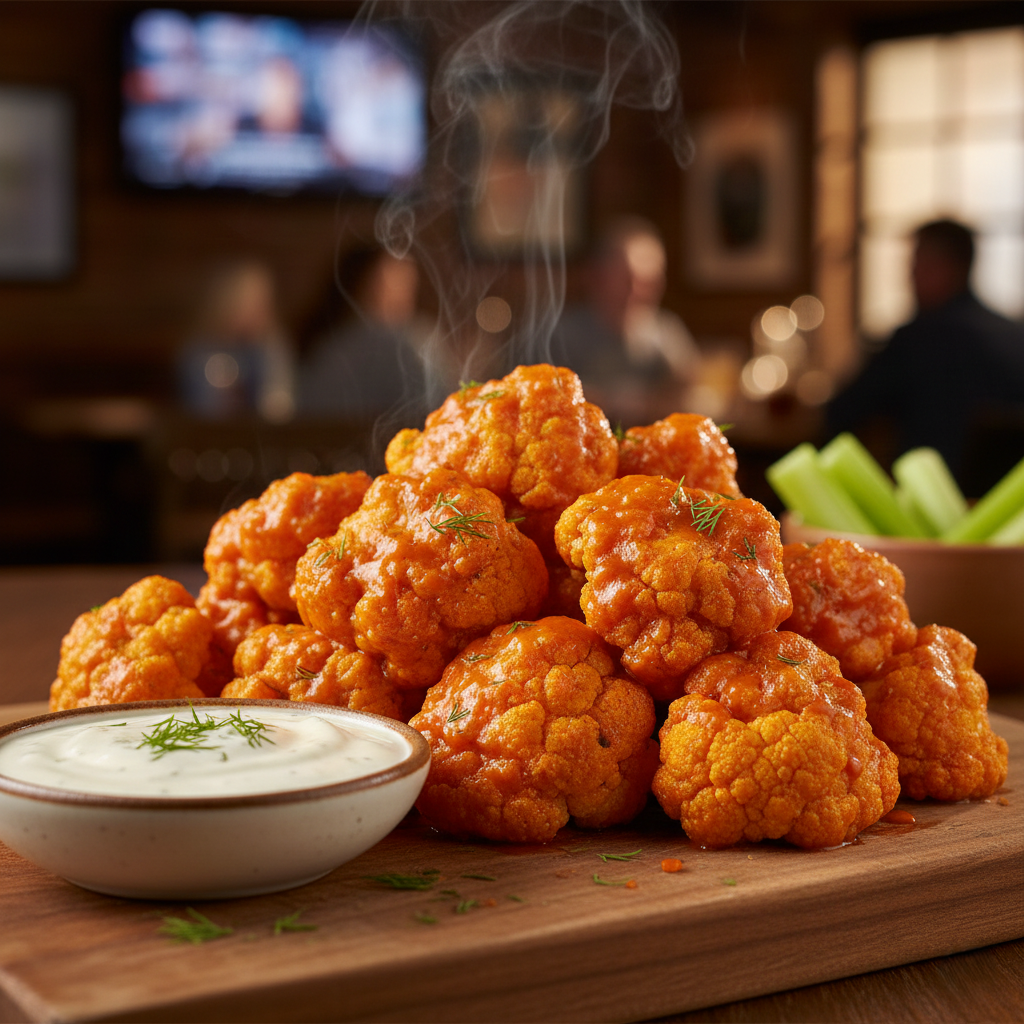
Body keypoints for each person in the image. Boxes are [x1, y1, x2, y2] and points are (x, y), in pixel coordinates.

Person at [827, 219, 1024, 487]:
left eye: (918, 264)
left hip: (923, 505)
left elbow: (842, 411)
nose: (910, 276)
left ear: (951, 268)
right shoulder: (1015, 334)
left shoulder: (916, 338)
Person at [551, 217, 701, 427]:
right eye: (629, 279)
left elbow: (690, 392)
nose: (641, 292)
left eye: (651, 281)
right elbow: (549, 401)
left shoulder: (666, 332)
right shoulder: (561, 336)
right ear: (599, 276)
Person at [298, 246, 432, 424]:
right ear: (362, 286)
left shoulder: (323, 342)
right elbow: (434, 407)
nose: (406, 296)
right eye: (396, 284)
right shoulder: (396, 344)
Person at [177, 260, 295, 422]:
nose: (259, 311)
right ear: (227, 301)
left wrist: (268, 350)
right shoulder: (200, 352)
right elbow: (206, 412)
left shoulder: (269, 348)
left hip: (261, 440)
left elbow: (278, 408)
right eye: (251, 302)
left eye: (263, 302)